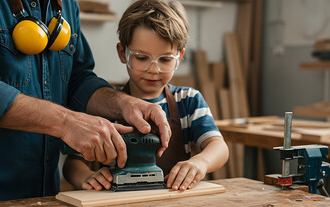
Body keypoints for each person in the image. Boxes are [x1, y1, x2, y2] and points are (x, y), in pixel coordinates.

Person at [0, 0, 171, 204]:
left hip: (46, 196)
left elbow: (77, 80)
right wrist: (66, 122)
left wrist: (122, 103)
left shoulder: (65, 5)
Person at [63, 0, 229, 192]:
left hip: (174, 206)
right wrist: (88, 177)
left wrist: (200, 163)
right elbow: (72, 162)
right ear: (122, 53)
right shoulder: (102, 105)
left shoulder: (188, 100)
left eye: (165, 59)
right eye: (141, 58)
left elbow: (219, 147)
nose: (153, 70)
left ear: (179, 57)